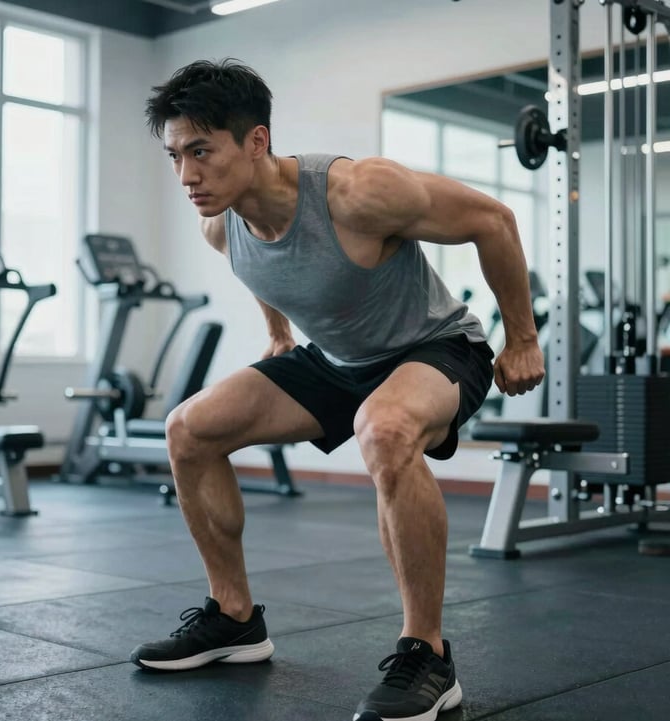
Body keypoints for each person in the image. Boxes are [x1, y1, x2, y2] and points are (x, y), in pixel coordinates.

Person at [131, 58, 545, 721]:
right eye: (176, 155)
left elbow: (491, 220)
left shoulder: (357, 192)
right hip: (337, 360)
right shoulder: (222, 221)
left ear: (257, 141)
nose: (186, 175)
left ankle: (427, 654)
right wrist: (278, 334)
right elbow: (264, 270)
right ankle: (235, 616)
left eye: (201, 151)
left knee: (382, 429)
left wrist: (522, 338)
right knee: (188, 428)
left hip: (436, 347)